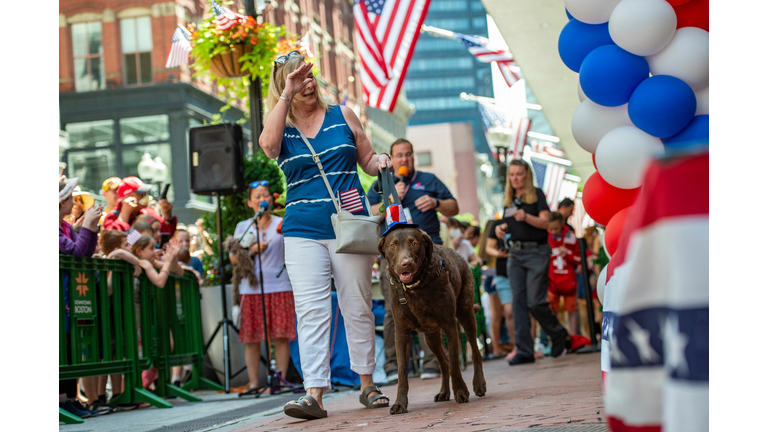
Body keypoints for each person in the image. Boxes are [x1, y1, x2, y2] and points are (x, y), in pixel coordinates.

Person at [259, 51, 392, 417]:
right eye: (299, 81)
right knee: (312, 311)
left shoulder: (341, 115)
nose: (308, 85)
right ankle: (314, 394)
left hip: (350, 225)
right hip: (303, 230)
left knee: (357, 304)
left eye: (310, 78)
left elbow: (365, 157)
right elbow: (268, 148)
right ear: (286, 86)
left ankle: (367, 384)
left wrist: (378, 161)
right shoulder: (280, 127)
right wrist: (286, 93)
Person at [366, 138, 459, 384]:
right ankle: (394, 366)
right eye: (399, 155)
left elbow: (454, 207)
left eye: (408, 154)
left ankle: (432, 363)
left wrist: (436, 203)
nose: (404, 159)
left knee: (433, 307)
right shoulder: (382, 183)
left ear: (413, 157)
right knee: (392, 309)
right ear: (392, 160)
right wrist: (390, 200)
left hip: (429, 256)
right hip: (395, 258)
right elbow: (367, 212)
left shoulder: (429, 181)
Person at [495, 160, 570, 365]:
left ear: (526, 176)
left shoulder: (536, 194)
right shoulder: (509, 198)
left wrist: (526, 216)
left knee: (535, 302)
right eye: (512, 175)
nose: (515, 178)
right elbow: (509, 224)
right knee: (518, 303)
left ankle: (557, 333)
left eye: (519, 174)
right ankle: (525, 350)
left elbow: (546, 223)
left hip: (536, 252)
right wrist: (500, 229)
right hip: (515, 253)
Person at [231, 181, 297, 395]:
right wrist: (250, 250)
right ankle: (253, 383)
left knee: (280, 335)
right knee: (251, 337)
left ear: (271, 200)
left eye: (265, 195)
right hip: (251, 289)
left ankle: (280, 380)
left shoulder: (282, 222)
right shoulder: (243, 227)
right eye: (257, 196)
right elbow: (233, 258)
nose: (262, 200)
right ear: (250, 202)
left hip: (279, 285)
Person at [59, 178, 105, 419]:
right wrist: (87, 224)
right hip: (60, 297)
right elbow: (76, 251)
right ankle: (60, 398)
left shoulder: (65, 227)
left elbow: (85, 252)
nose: (75, 202)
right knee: (60, 348)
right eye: (70, 197)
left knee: (70, 347)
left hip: (69, 296)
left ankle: (70, 397)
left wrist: (91, 227)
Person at [103, 176, 176, 238]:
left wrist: (168, 217)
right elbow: (112, 241)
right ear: (128, 198)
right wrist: (124, 215)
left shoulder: (148, 212)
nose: (146, 197)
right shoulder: (112, 216)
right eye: (142, 194)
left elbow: (165, 234)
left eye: (145, 193)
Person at [485, 219, 515, 357]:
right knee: (498, 315)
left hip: (496, 276)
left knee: (498, 315)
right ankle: (496, 348)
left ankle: (499, 347)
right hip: (496, 277)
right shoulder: (495, 235)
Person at [546, 212, 580, 334]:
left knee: (572, 310)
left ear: (561, 224)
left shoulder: (570, 237)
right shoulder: (545, 238)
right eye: (551, 229)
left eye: (556, 228)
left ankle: (574, 337)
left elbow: (579, 258)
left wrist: (568, 254)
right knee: (551, 311)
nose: (554, 231)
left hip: (568, 281)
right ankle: (555, 339)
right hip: (552, 282)